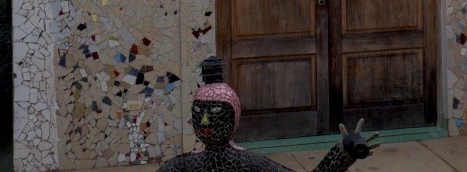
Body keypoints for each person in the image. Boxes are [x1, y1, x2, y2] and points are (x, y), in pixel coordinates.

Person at [157, 57, 378, 172]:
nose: (205, 120)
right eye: (198, 112)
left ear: (232, 118)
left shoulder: (246, 163)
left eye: (215, 111)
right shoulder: (180, 166)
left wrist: (344, 151)